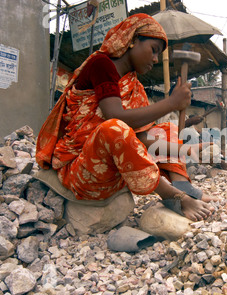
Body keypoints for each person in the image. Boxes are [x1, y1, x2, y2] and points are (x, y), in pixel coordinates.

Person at [36, 14, 214, 222]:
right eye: (153, 50)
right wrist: (172, 103)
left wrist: (183, 150)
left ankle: (183, 185)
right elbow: (115, 117)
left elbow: (139, 139)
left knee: (167, 130)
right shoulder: (101, 64)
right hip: (85, 172)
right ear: (132, 40)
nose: (156, 59)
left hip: (119, 171)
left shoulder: (133, 84)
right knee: (114, 129)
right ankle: (175, 197)